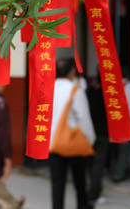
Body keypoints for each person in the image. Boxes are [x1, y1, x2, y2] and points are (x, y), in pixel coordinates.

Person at [49, 58, 96, 209]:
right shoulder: (75, 90)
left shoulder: (49, 89)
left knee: (57, 183)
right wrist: (90, 139)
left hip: (53, 142)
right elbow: (83, 117)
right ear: (72, 72)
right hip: (74, 141)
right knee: (79, 183)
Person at [86, 74, 109, 206]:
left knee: (90, 163)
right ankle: (94, 193)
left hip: (89, 133)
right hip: (102, 133)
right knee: (98, 164)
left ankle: (92, 190)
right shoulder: (108, 95)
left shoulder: (88, 92)